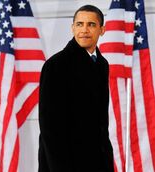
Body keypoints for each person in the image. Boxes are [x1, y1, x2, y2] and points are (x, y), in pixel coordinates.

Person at [38, 5, 114, 172]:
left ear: (102, 30)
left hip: (98, 161)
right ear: (72, 28)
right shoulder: (56, 65)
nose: (84, 30)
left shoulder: (102, 64)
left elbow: (101, 121)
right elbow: (49, 127)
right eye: (79, 24)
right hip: (66, 164)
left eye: (91, 24)